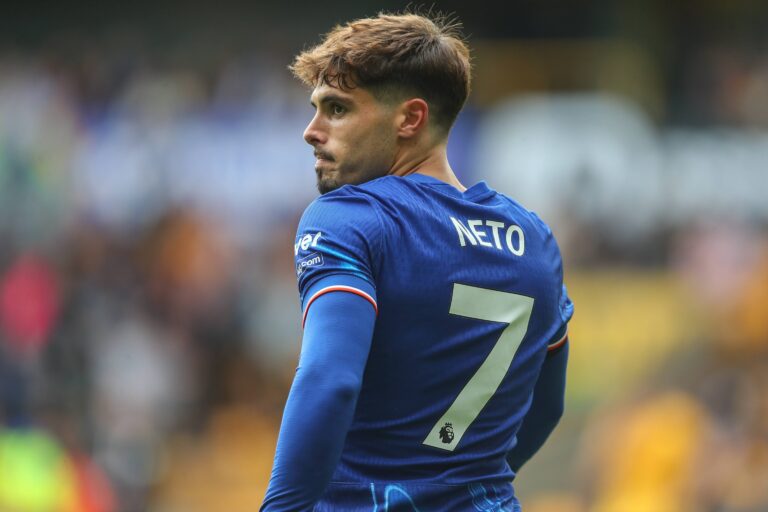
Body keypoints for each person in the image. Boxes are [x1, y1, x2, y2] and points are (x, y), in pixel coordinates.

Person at [261, 12, 573, 512]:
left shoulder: (350, 218)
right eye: (316, 108)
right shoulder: (535, 241)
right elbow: (548, 405)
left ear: (410, 119)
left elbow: (330, 381)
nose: (311, 131)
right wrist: (463, 483)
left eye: (337, 109)